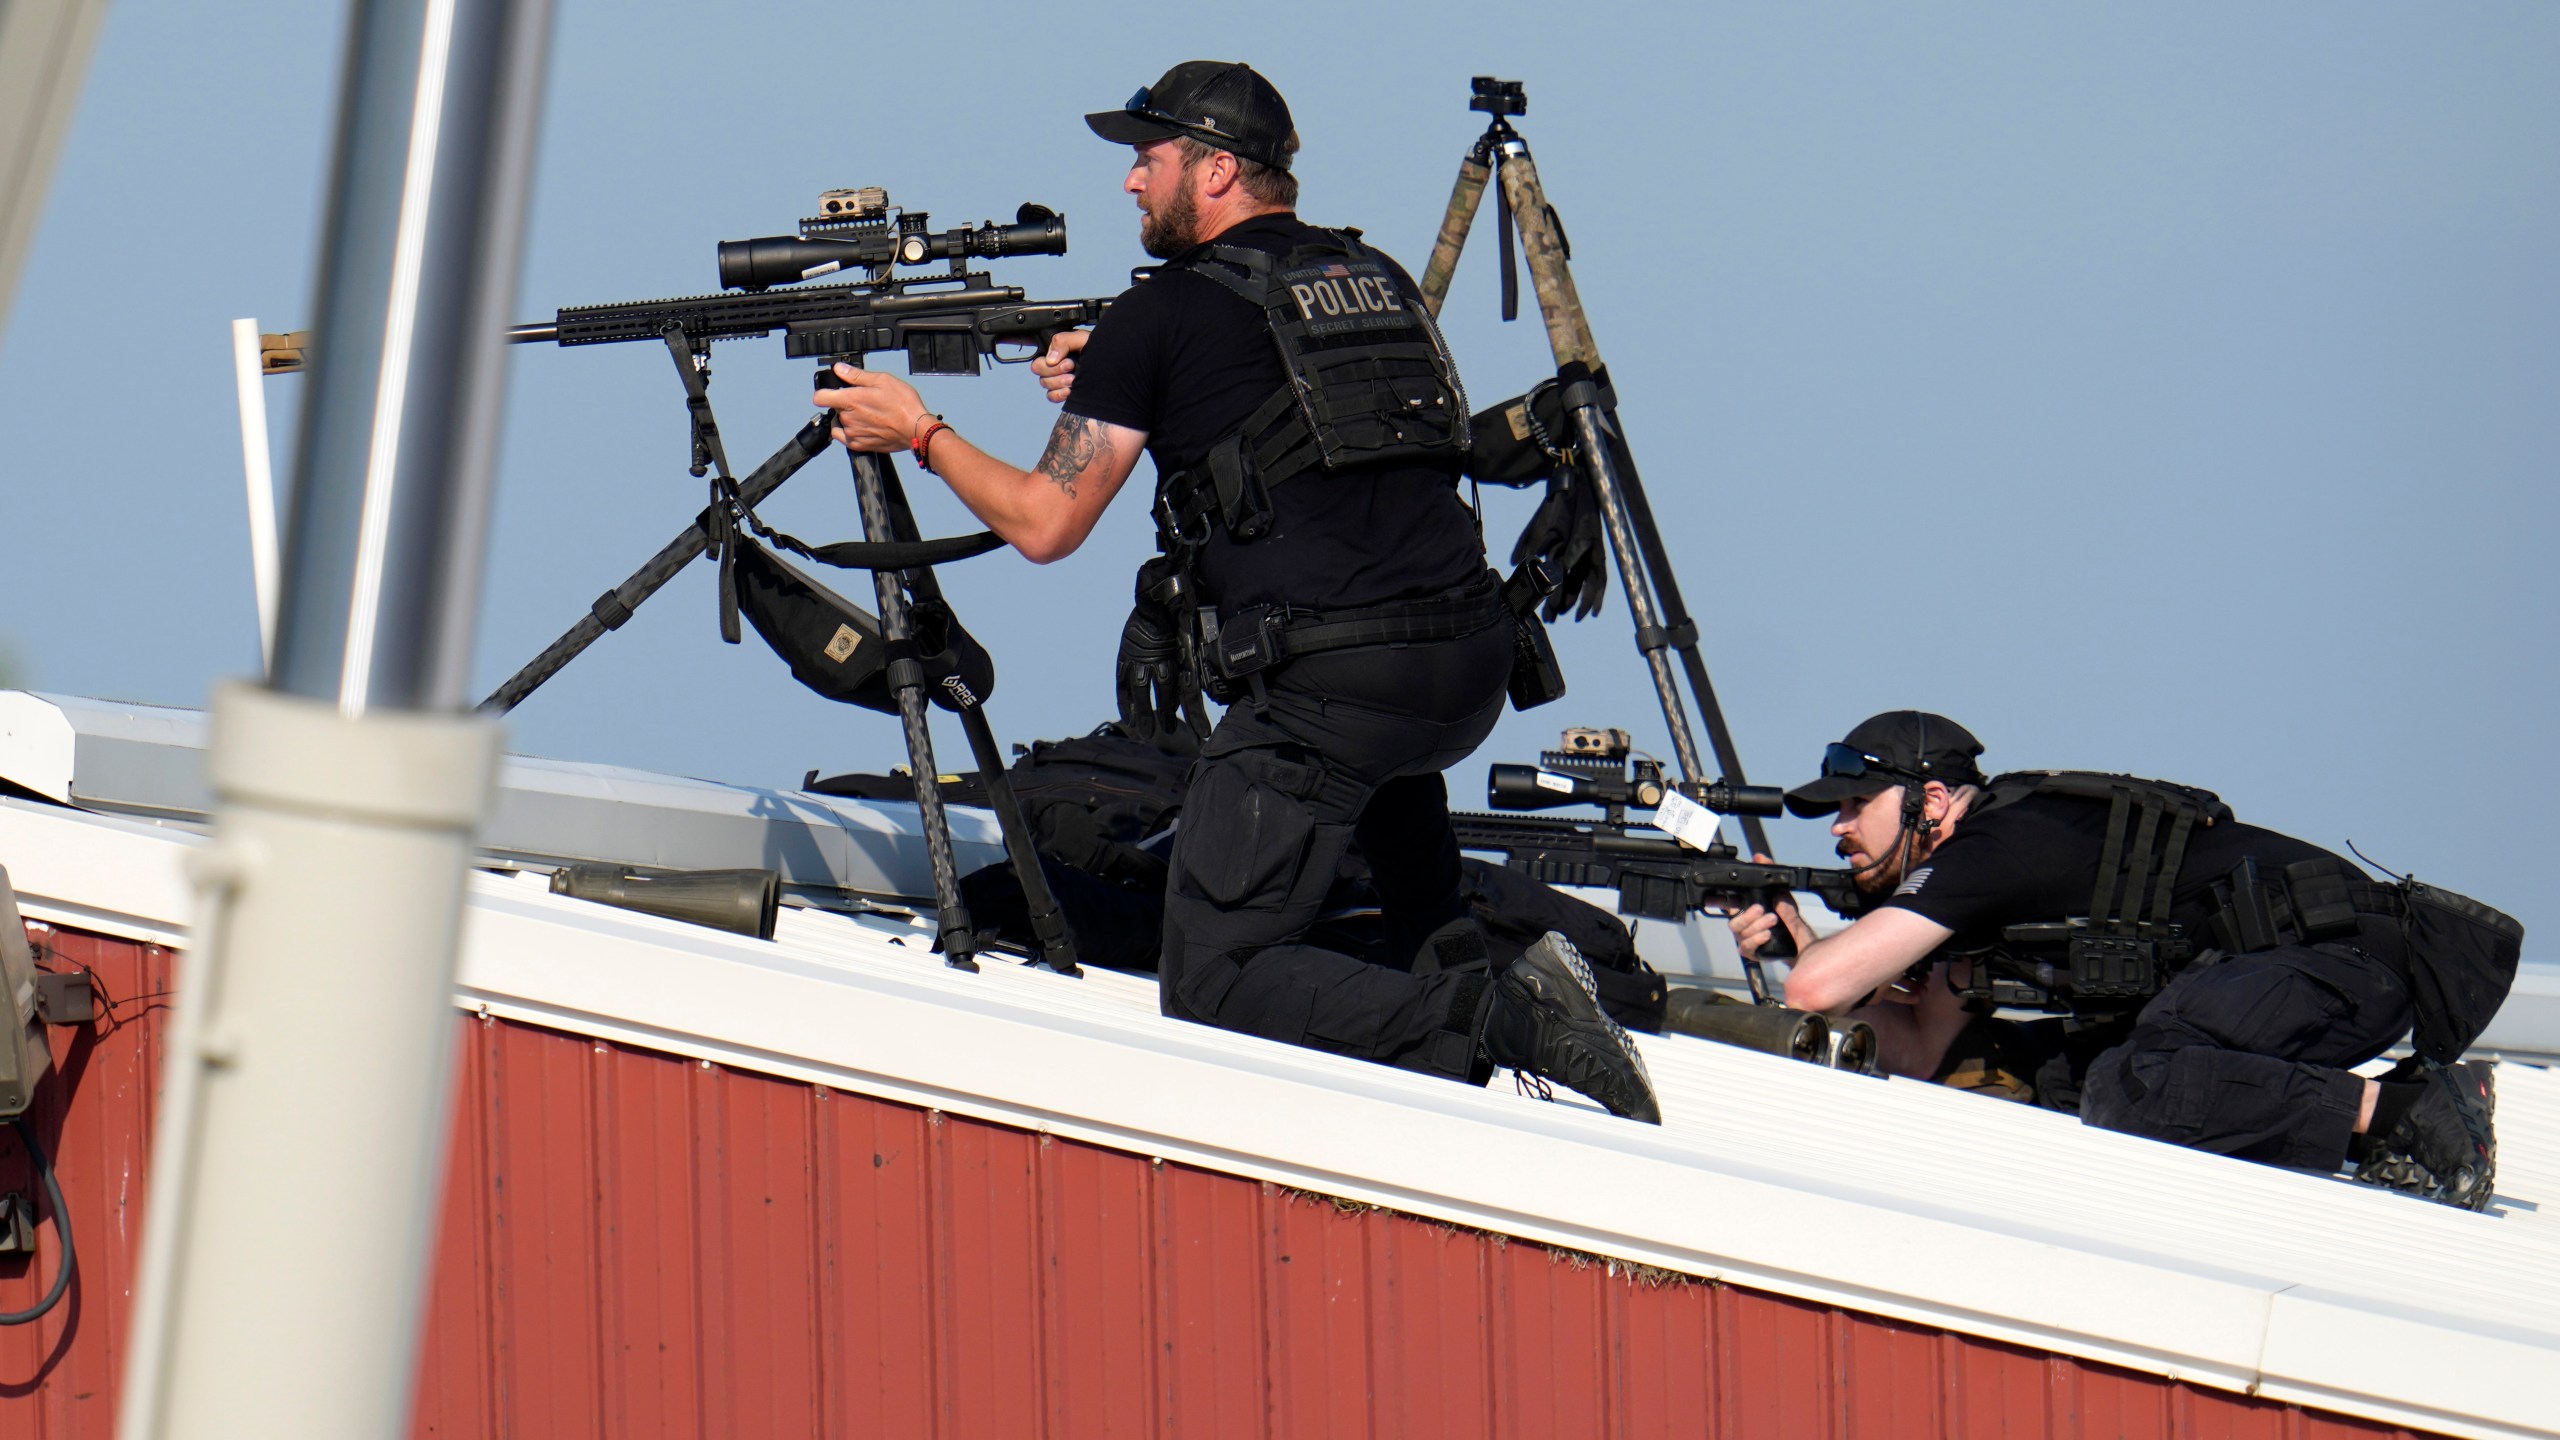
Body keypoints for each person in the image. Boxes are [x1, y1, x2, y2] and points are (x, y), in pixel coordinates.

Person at [814, 61, 1658, 1122]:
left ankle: (1514, 1021)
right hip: (1462, 664)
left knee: (1214, 978)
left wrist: (918, 433)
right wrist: (1129, 378)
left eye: (1146, 157)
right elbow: (1298, 416)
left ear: (1214, 171)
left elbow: (1045, 521)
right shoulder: (1375, 275)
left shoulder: (1158, 318)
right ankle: (1488, 1002)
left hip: (1329, 688)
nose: (1128, 182)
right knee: (1408, 875)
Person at [1728, 710, 2507, 1208]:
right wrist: (1812, 950)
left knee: (2138, 1083)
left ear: (1931, 803)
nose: (1838, 828)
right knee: (2054, 1071)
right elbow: (1928, 1048)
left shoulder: (1992, 848)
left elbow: (1815, 985)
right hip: (2296, 973)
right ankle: (2384, 1115)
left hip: (2341, 957)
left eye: (1854, 806)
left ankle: (2410, 1116)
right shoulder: (1987, 874)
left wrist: (1809, 950)